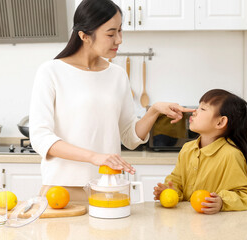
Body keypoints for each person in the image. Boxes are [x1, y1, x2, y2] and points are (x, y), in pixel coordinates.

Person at [29, 0, 194, 200]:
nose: (119, 40)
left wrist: (154, 111)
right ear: (84, 36)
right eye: (110, 33)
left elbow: (130, 138)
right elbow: (40, 138)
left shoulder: (117, 75)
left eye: (120, 31)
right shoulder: (51, 71)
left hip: (108, 186)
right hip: (62, 188)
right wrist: (95, 157)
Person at [153, 89, 247, 214]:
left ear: (221, 122)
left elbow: (246, 195)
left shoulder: (231, 155)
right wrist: (169, 190)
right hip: (187, 222)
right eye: (198, 106)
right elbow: (177, 180)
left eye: (203, 109)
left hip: (216, 226)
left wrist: (222, 202)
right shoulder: (187, 149)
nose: (195, 112)